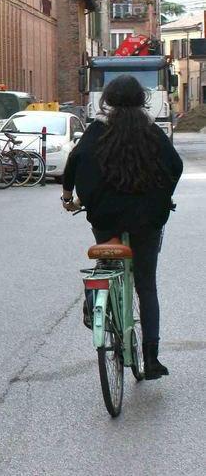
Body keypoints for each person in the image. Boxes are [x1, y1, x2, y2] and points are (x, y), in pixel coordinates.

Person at [62, 74, 182, 379]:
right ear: (142, 101)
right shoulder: (152, 131)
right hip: (147, 220)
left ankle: (96, 301)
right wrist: (162, 196)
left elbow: (75, 162)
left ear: (108, 100)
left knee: (106, 263)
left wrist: (69, 197)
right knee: (146, 284)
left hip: (106, 217)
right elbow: (176, 166)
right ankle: (151, 357)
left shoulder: (97, 130)